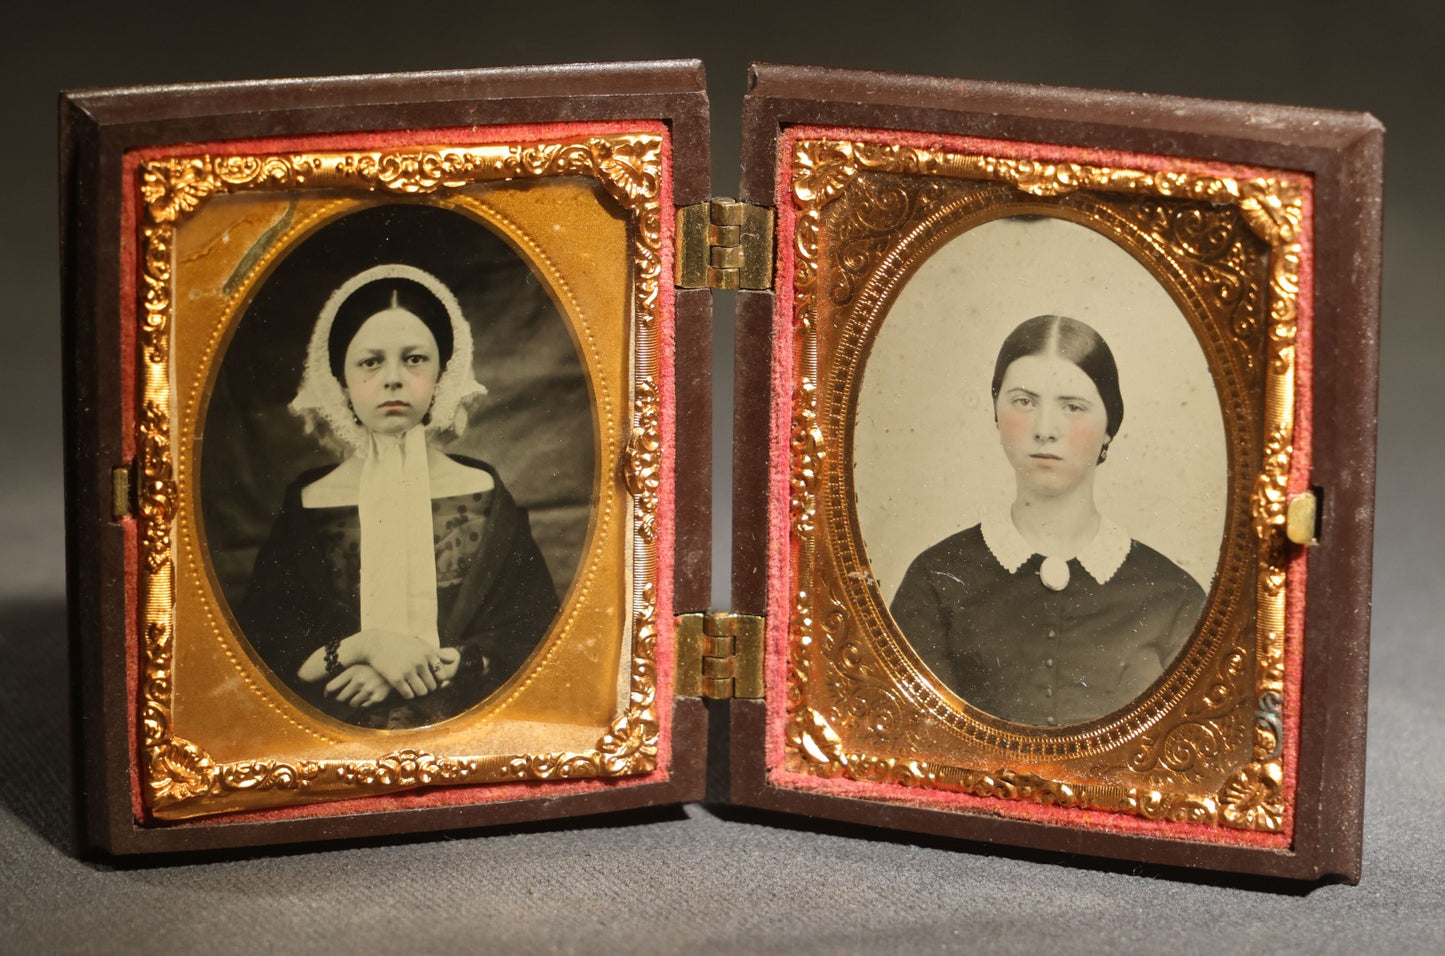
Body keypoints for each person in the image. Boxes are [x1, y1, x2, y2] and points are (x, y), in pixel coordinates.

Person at [237, 264, 559, 729]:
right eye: (370, 362)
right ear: (341, 380)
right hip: (336, 734)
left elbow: (533, 630)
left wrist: (441, 666)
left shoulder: (484, 492)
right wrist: (368, 647)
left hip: (465, 727)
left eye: (414, 359)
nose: (393, 378)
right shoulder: (308, 501)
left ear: (443, 374)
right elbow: (266, 643)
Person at [889, 315, 1205, 727]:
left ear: (1109, 426)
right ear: (996, 413)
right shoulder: (935, 580)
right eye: (1024, 401)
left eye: (1072, 407)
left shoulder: (1174, 599)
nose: (1045, 429)